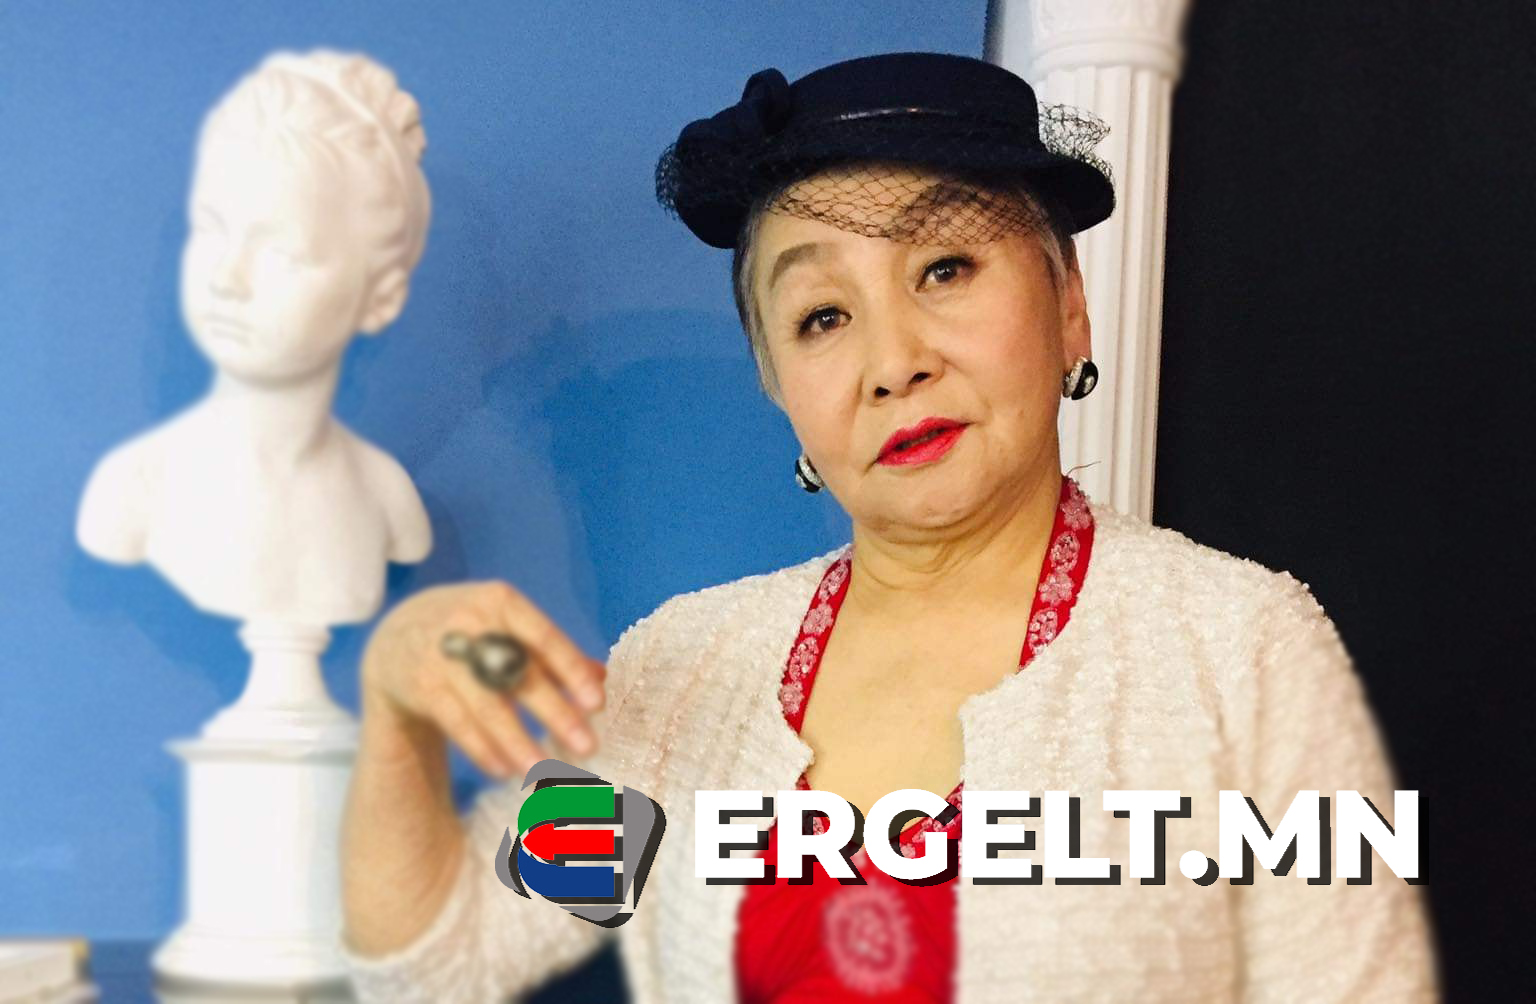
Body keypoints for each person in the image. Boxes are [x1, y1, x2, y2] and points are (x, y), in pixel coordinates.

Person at [339, 52, 1439, 1002]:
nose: (893, 361)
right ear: (777, 384)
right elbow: (451, 962)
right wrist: (396, 713)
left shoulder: (1240, 647)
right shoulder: (685, 672)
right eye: (823, 316)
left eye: (944, 267)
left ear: (1068, 303)